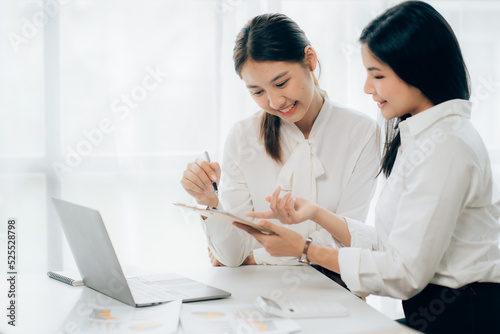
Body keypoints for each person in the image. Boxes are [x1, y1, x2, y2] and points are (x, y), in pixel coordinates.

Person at [235, 2, 500, 333]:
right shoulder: (425, 136)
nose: (366, 88)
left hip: (464, 314)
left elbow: (404, 273)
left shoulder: (446, 146)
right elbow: (393, 245)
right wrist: (316, 213)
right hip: (440, 309)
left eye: (377, 75)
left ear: (417, 70)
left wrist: (305, 250)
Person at [180, 13, 379, 269]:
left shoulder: (362, 132)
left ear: (310, 60)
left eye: (281, 83)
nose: (274, 102)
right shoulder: (243, 137)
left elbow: (348, 238)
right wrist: (210, 203)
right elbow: (231, 257)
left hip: (334, 288)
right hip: (255, 295)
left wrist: (257, 257)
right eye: (258, 92)